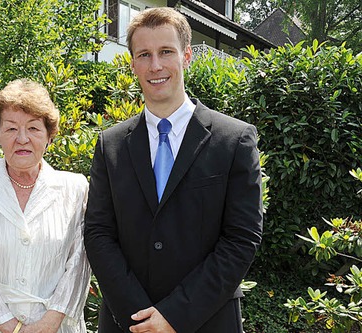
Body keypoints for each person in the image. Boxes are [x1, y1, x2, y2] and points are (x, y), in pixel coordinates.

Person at [84, 7, 263, 333]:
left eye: (166, 52)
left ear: (187, 56)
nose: (155, 66)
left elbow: (241, 238)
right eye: (144, 54)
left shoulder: (234, 140)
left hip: (208, 320)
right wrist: (140, 316)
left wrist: (175, 315)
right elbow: (98, 234)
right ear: (133, 62)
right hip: (129, 323)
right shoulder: (110, 144)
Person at [0, 79, 91, 333]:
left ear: (49, 136)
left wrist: (48, 324)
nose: (22, 139)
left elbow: (79, 263)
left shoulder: (75, 189)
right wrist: (12, 327)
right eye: (11, 129)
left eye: (34, 128)